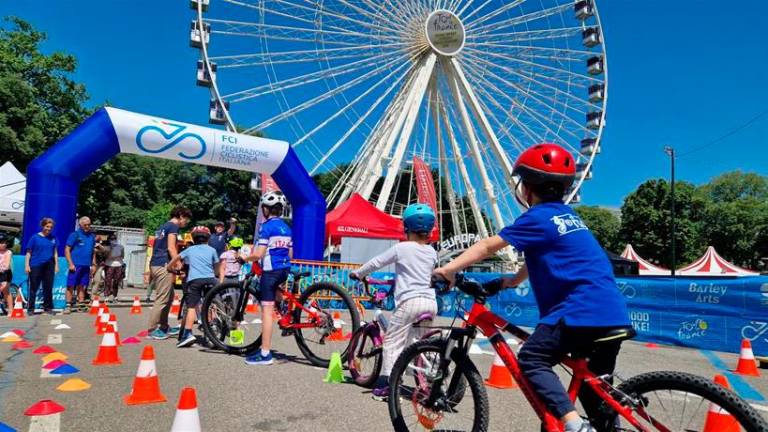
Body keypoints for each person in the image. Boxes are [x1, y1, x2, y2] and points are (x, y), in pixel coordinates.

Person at [434, 144, 631, 432]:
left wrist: (448, 269)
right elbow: (543, 255)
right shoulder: (569, 219)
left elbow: (488, 245)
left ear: (526, 187)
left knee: (532, 358)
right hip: (611, 312)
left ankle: (575, 427)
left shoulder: (537, 217)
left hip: (578, 312)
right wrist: (510, 281)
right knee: (593, 391)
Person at [350, 203, 438, 401]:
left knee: (391, 342)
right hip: (430, 303)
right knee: (417, 343)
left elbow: (376, 263)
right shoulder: (432, 252)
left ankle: (391, 387)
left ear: (406, 227)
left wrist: (358, 273)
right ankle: (427, 374)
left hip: (410, 302)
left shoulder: (401, 248)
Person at [242, 192, 292, 365]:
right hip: (284, 269)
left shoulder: (267, 227)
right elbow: (290, 252)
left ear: (266, 209)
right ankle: (287, 312)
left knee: (267, 313)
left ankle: (265, 354)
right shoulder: (286, 228)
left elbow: (259, 254)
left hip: (271, 272)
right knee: (276, 293)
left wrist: (243, 258)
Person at [165, 226, 220, 348]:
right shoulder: (212, 250)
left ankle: (188, 335)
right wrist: (215, 274)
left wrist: (171, 269)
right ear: (208, 238)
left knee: (191, 307)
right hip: (211, 279)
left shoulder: (189, 250)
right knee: (210, 303)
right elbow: (217, 267)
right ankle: (212, 328)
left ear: (194, 238)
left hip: (195, 280)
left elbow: (174, 261)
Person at [147, 206, 192, 340]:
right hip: (163, 265)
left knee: (169, 296)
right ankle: (152, 329)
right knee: (162, 298)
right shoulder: (173, 227)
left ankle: (164, 326)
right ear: (181, 216)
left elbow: (157, 247)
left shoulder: (163, 226)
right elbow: (171, 248)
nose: (186, 223)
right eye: (186, 220)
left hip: (156, 263)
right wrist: (179, 266)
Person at [25, 217, 59, 314]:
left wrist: (56, 265)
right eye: (47, 226)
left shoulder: (53, 238)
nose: (49, 229)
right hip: (36, 265)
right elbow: (28, 252)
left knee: (48, 287)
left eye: (51, 227)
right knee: (33, 287)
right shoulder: (34, 237)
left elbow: (55, 252)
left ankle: (48, 308)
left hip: (49, 265)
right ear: (42, 226)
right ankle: (31, 309)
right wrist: (27, 265)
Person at [64, 216, 97, 313]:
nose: (87, 226)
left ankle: (80, 305)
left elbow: (93, 251)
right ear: (80, 225)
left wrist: (94, 264)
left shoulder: (91, 236)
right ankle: (68, 306)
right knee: (70, 285)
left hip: (86, 265)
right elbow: (67, 249)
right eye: (85, 225)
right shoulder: (75, 234)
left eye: (89, 225)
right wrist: (70, 263)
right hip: (75, 264)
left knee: (82, 285)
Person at [103, 233, 125, 303]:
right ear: (109, 240)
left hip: (119, 265)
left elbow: (122, 256)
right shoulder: (106, 247)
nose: (113, 240)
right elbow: (106, 256)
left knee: (116, 281)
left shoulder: (121, 247)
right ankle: (106, 296)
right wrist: (110, 250)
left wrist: (117, 256)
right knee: (108, 281)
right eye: (112, 239)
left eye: (114, 238)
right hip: (109, 265)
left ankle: (115, 296)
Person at [0, 234, 13, 314]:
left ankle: (11, 310)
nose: (3, 244)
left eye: (5, 242)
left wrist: (3, 268)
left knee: (5, 291)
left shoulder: (8, 252)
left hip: (6, 273)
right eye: (1, 242)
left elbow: (7, 264)